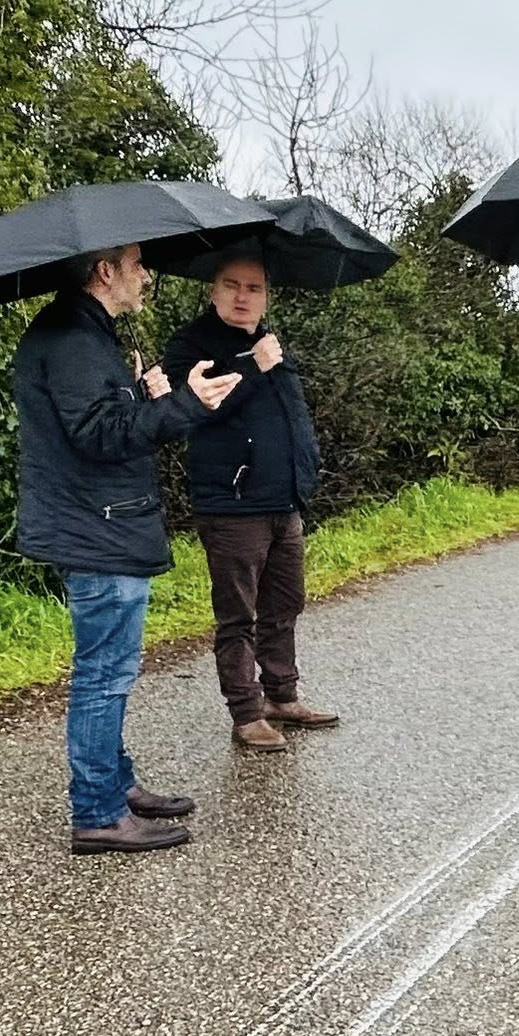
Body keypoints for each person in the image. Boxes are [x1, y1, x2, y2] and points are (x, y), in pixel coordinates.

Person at [12, 243, 241, 855]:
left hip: (100, 522)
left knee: (108, 670)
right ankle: (98, 812)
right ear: (105, 271)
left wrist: (146, 396)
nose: (146, 275)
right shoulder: (74, 340)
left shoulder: (80, 334)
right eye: (137, 264)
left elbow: (97, 422)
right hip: (98, 530)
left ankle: (114, 785)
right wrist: (186, 405)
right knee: (104, 675)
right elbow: (100, 436)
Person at [162, 254, 337, 753]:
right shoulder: (191, 345)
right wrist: (254, 368)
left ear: (266, 295)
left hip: (283, 500)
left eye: (254, 288)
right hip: (231, 504)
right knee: (237, 615)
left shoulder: (270, 344)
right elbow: (195, 411)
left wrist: (306, 467)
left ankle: (282, 695)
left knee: (286, 602)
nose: (243, 296)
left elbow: (293, 411)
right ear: (213, 290)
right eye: (232, 285)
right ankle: (245, 712)